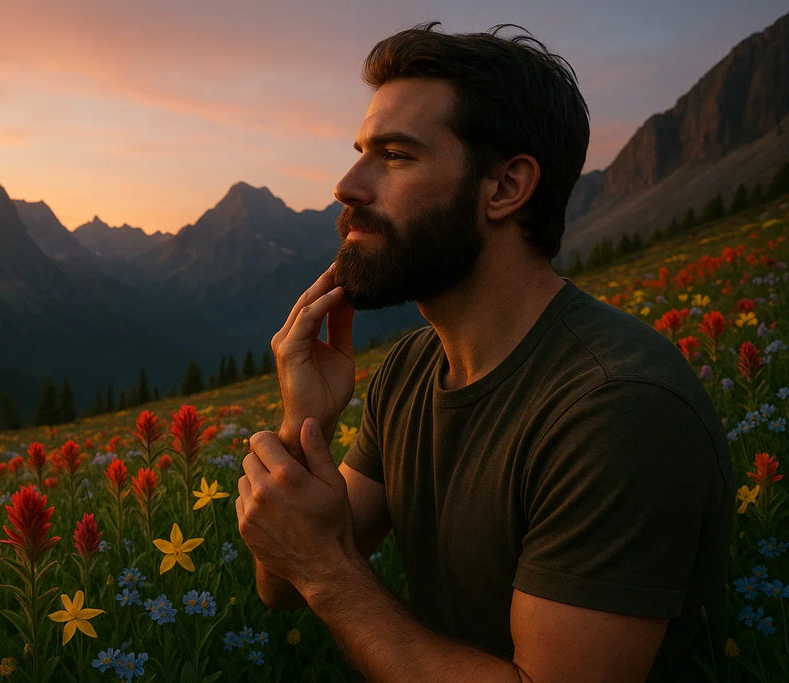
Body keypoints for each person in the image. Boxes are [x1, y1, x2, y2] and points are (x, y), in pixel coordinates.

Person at [235, 23, 733, 682]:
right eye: (359, 152)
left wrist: (331, 574)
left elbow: (317, 569)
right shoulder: (410, 371)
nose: (346, 185)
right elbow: (283, 579)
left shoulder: (617, 405)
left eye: (395, 155)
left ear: (504, 188)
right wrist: (306, 418)